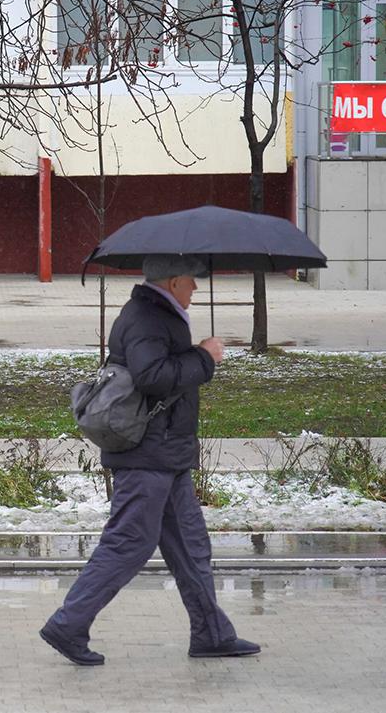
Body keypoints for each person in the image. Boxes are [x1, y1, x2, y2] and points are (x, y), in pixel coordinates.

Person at [40, 254, 259, 666]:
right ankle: (69, 624)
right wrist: (204, 358)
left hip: (165, 453)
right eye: (191, 281)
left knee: (192, 548)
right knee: (129, 543)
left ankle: (211, 634)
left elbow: (156, 370)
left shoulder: (157, 314)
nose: (195, 288)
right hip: (147, 455)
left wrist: (193, 354)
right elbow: (151, 376)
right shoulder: (147, 317)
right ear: (174, 281)